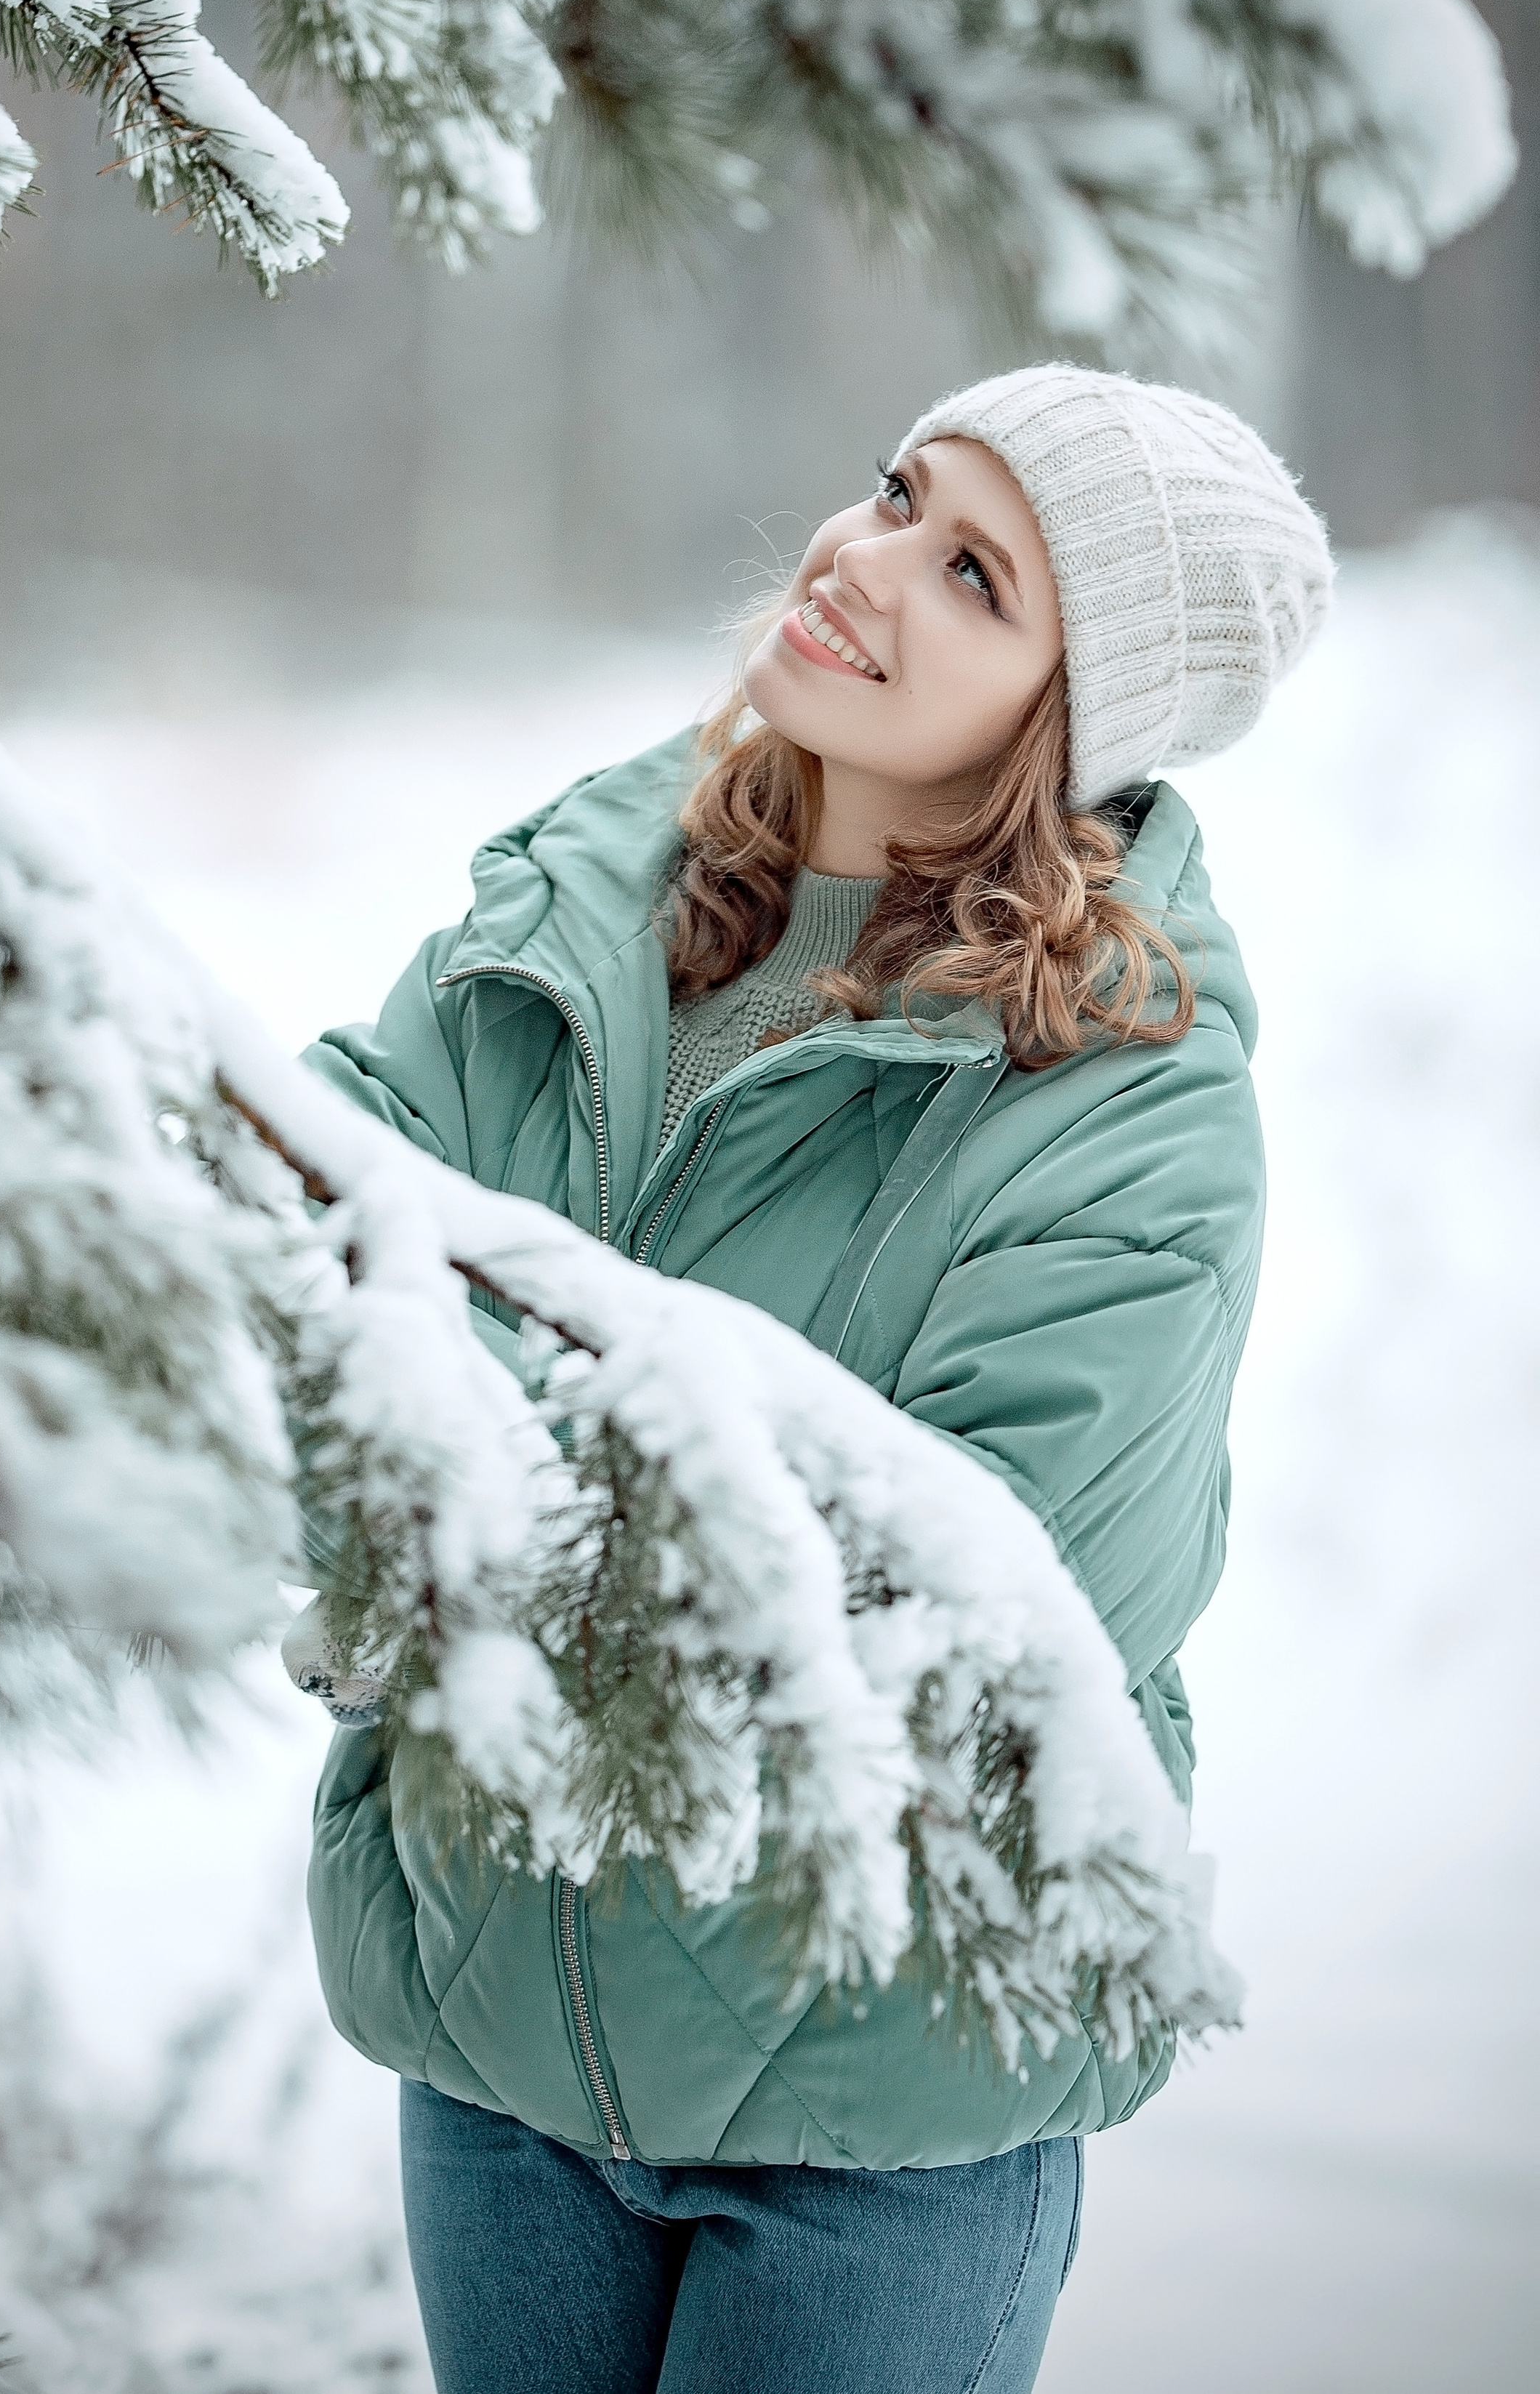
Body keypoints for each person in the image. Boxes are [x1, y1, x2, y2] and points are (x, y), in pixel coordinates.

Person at [294, 365, 1334, 2394]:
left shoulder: (1127, 1099)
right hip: (503, 2034)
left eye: (977, 575)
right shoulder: (577, 916)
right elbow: (307, 1254)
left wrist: (447, 1521)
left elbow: (977, 1619)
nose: (868, 560)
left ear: (1073, 717)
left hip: (887, 2105)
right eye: (898, 492)